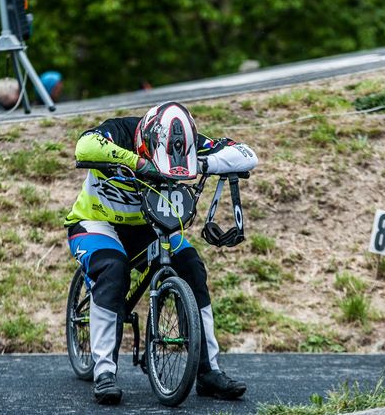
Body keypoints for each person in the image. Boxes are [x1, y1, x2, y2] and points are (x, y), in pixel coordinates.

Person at [64, 101, 258, 405]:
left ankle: (208, 372)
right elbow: (84, 147)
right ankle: (104, 372)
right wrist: (140, 164)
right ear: (148, 137)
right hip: (95, 222)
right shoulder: (119, 131)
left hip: (151, 226)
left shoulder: (186, 142)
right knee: (113, 269)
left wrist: (203, 165)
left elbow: (247, 155)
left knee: (191, 266)